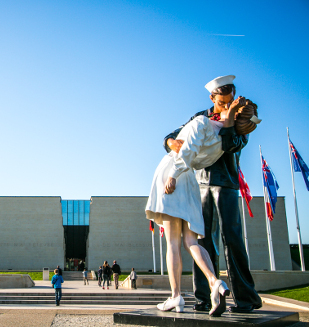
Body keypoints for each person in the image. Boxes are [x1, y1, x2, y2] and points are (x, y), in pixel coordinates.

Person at [146, 92, 259, 316]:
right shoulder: (200, 118)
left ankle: (245, 298)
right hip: (199, 183)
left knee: (232, 238)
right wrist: (171, 142)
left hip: (225, 183)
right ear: (213, 98)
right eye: (222, 101)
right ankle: (204, 297)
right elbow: (173, 135)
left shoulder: (240, 126)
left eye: (229, 101)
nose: (225, 105)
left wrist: (229, 121)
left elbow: (230, 145)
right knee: (202, 238)